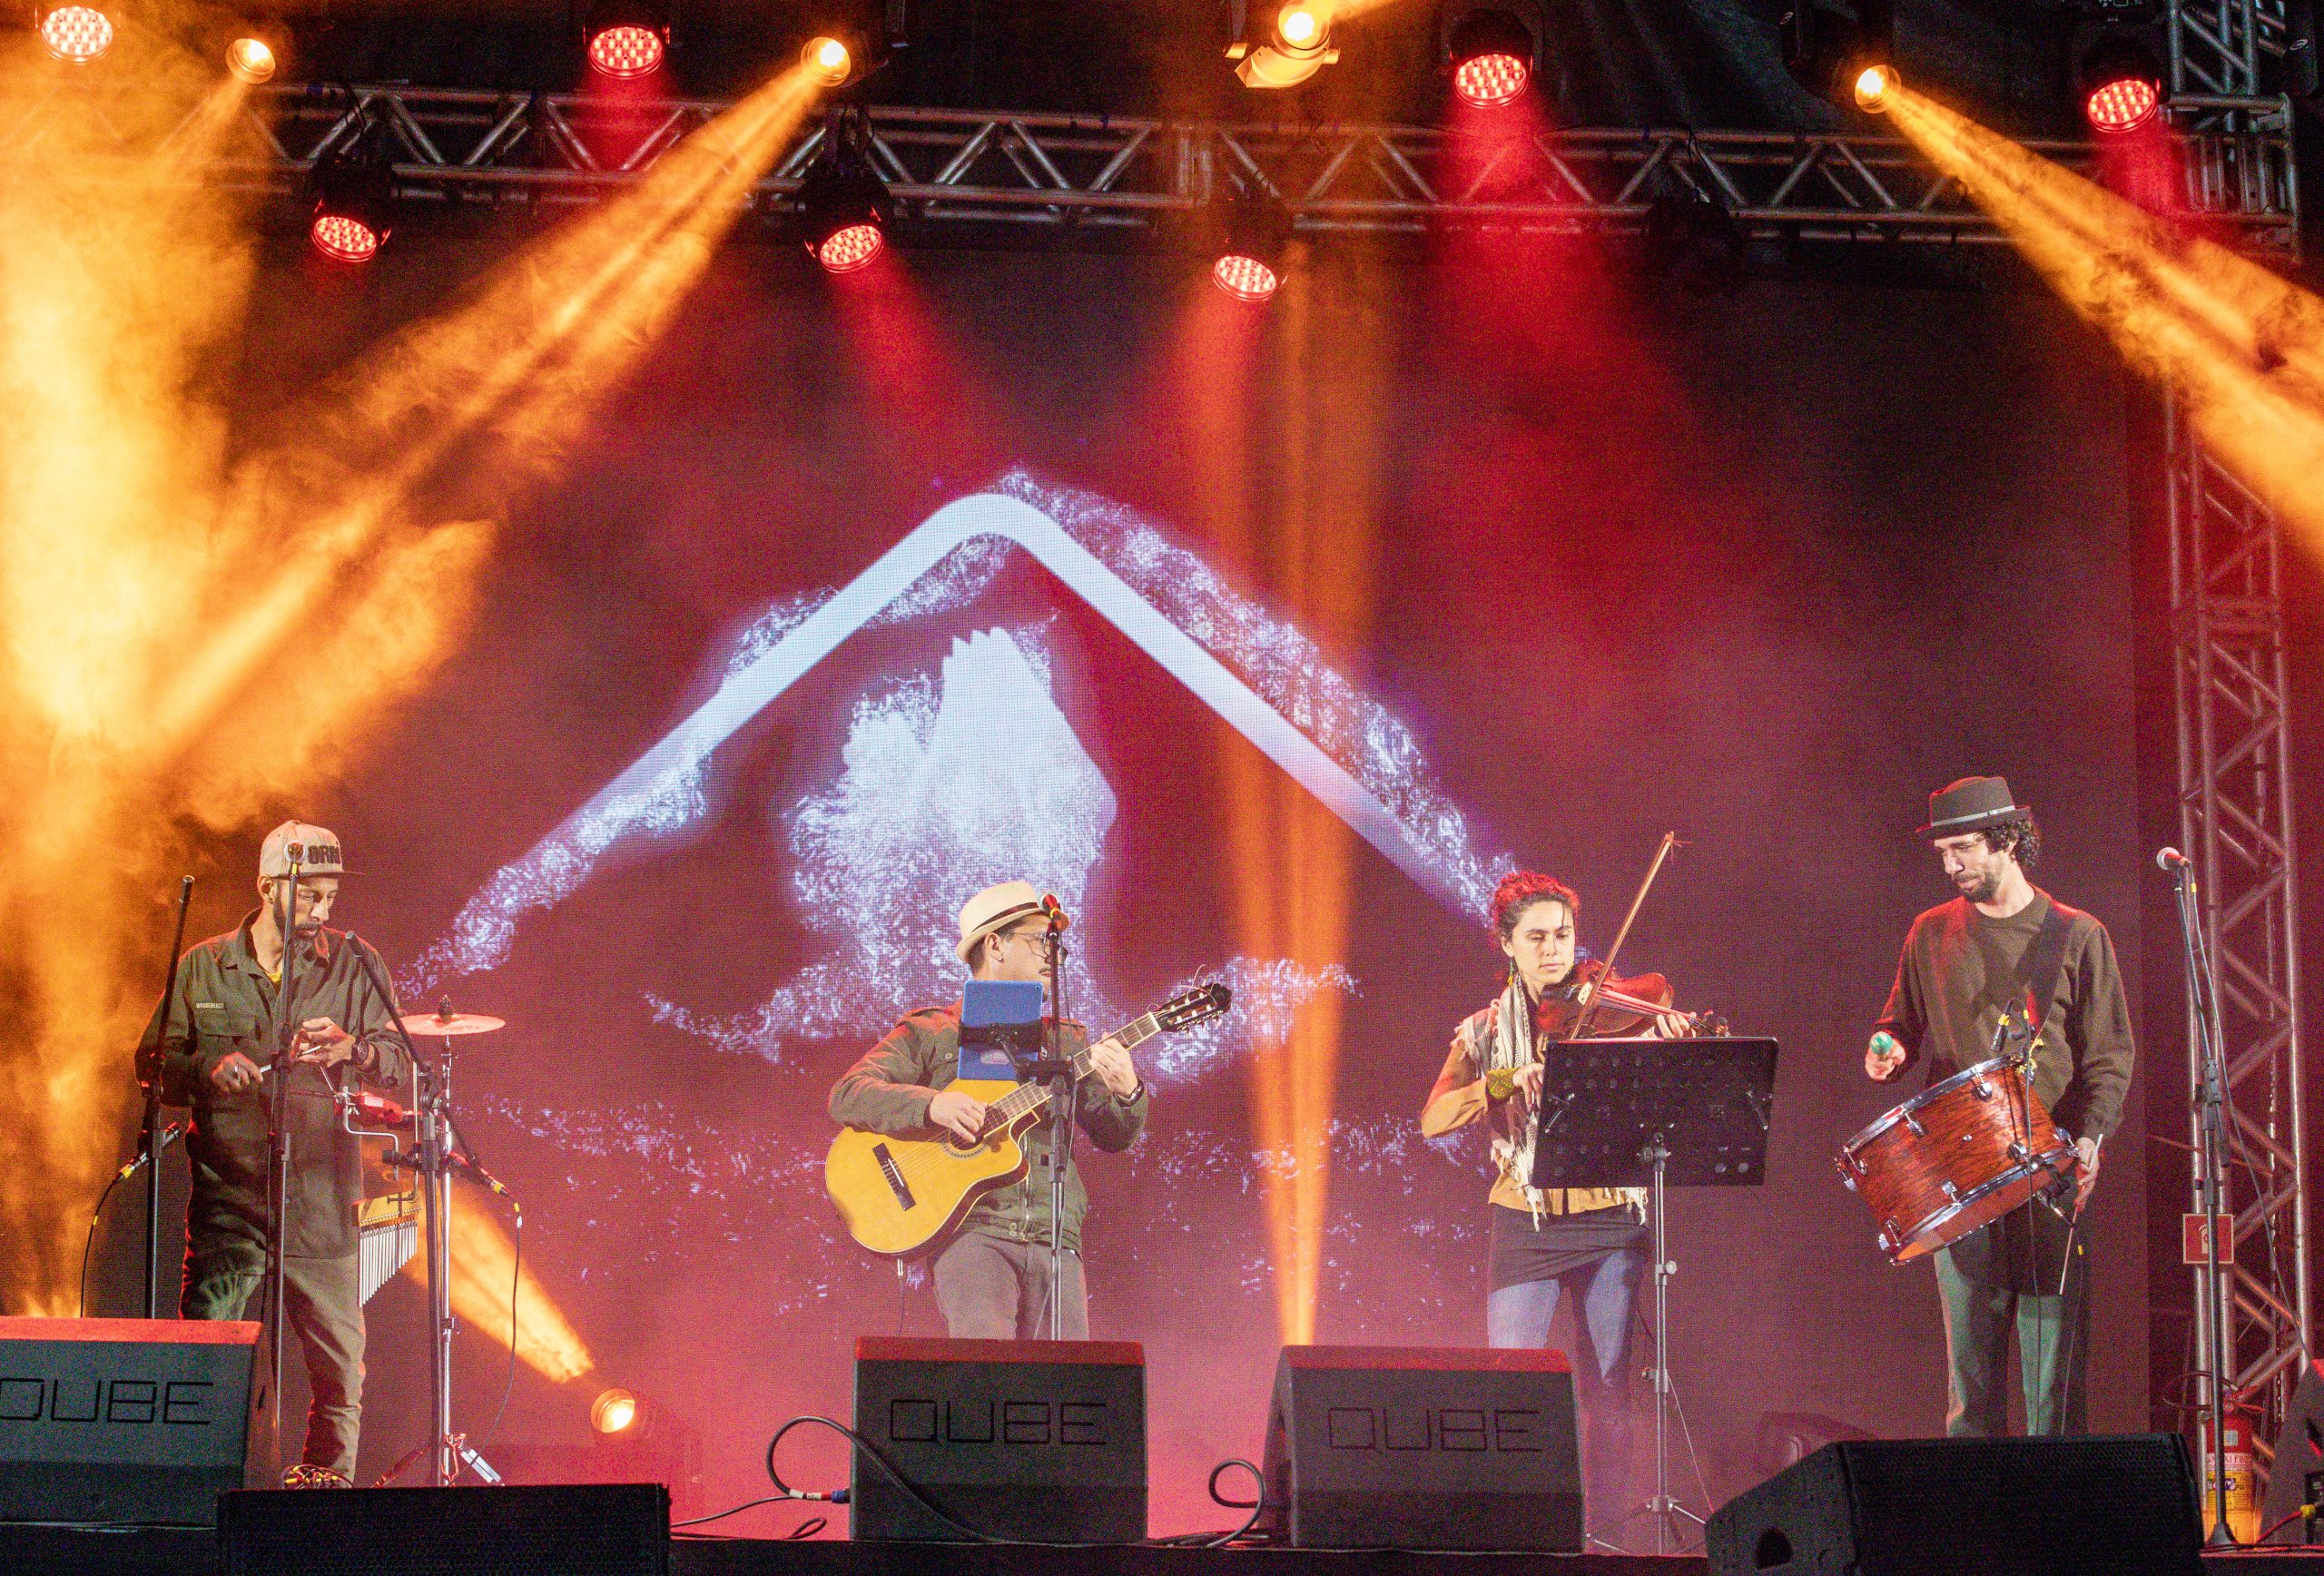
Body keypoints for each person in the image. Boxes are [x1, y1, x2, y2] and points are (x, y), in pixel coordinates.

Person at [139, 821, 410, 1487]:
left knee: (339, 1371)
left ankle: (325, 1497)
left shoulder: (357, 962)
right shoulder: (204, 964)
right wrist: (206, 1069)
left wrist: (352, 1049)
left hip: (322, 1203)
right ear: (268, 887)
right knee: (205, 1364)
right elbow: (152, 1063)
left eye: (331, 896)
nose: (324, 909)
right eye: (311, 894)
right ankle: (202, 1496)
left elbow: (402, 1061)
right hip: (229, 1203)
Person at [1864, 776, 2134, 1436]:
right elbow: (1900, 1024)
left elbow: (2108, 1057)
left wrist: (2091, 1140)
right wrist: (1886, 1046)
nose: (1950, 865)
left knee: (2053, 1392)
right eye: (1943, 852)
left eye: (1963, 848)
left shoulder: (2078, 934)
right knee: (1971, 1391)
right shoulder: (1930, 933)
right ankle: (1975, 1503)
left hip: (2050, 1170)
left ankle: (2054, 1504)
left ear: (2007, 841)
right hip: (1959, 1176)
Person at [1421, 869, 1688, 1533]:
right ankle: (1519, 1530)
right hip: (1526, 1219)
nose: (1553, 949)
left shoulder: (1614, 1012)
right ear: (1506, 944)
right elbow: (1434, 1119)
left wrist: (1670, 1043)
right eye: (1536, 937)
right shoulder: (1484, 1031)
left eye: (1563, 935)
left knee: (1609, 1393)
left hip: (1610, 1217)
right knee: (1512, 1388)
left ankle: (1605, 1535)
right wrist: (1507, 1079)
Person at [829, 881, 1147, 1338]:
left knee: (1067, 1375)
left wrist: (1129, 1092)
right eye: (1040, 941)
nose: (1054, 956)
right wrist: (933, 1105)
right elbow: (849, 1093)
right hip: (973, 1232)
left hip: (1056, 1236)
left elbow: (1114, 1135)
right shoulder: (933, 1030)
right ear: (995, 944)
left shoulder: (1067, 1040)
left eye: (1057, 946)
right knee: (986, 1368)